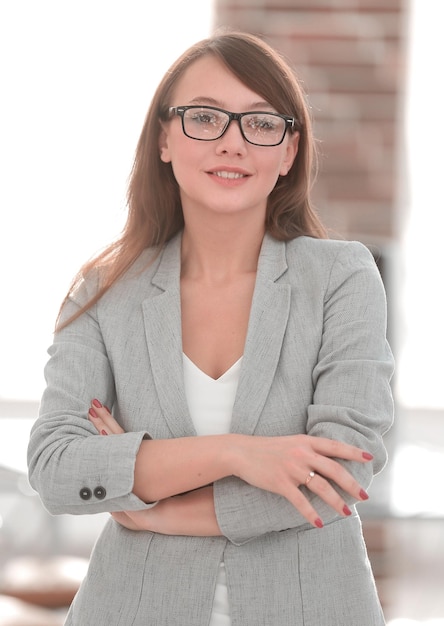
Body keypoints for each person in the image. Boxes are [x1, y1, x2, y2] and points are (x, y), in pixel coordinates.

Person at [27, 30, 394, 626]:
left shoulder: (341, 277)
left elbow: (342, 472)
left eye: (260, 123)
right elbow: (57, 468)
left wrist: (156, 505)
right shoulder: (103, 290)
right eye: (204, 118)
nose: (232, 143)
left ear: (288, 151)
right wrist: (238, 454)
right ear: (165, 139)